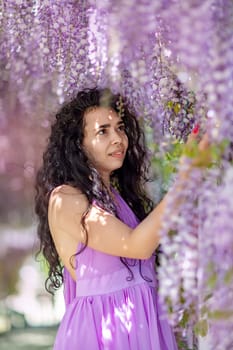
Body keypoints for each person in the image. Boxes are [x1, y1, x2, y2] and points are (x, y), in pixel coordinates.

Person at [35, 87, 206, 349]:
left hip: (144, 326)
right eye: (103, 131)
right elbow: (135, 245)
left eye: (120, 127)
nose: (118, 138)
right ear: (78, 144)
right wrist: (185, 178)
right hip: (103, 332)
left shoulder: (119, 199)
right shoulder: (65, 199)